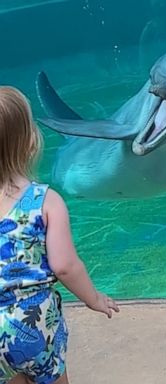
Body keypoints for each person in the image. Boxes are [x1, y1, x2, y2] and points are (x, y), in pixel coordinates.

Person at [0, 86, 119, 384]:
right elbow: (65, 265)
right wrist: (93, 298)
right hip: (36, 322)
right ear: (31, 141)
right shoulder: (45, 200)